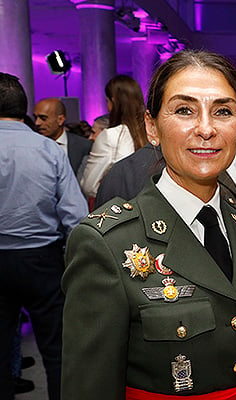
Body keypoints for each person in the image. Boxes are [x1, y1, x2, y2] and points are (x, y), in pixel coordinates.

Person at [62, 50, 236, 399]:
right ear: (152, 127)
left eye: (223, 111)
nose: (206, 129)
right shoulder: (107, 244)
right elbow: (90, 385)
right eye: (184, 110)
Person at [0, 72, 88, 400]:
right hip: (42, 260)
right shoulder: (49, 150)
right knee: (56, 351)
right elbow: (75, 216)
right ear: (23, 108)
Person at [80, 75, 147, 201]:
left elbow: (89, 186)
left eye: (107, 101)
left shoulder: (110, 136)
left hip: (121, 210)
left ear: (114, 101)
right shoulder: (152, 133)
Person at [33, 97, 92, 175]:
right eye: (35, 118)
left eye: (43, 118)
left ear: (60, 120)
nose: (37, 123)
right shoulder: (31, 146)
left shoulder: (84, 146)